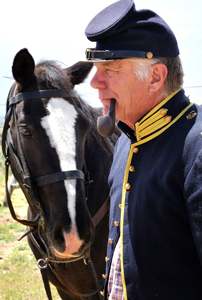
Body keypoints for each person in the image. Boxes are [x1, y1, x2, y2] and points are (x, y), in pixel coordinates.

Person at [85, 1, 202, 299]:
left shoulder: (197, 144)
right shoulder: (126, 139)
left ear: (155, 77)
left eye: (110, 69)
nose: (95, 83)